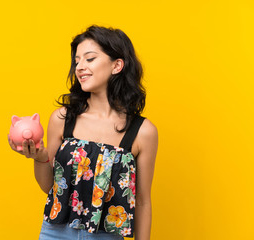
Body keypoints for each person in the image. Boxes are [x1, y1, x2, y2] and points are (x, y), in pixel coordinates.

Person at [8, 25, 158, 240]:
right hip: (55, 233)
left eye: (89, 59)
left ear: (117, 65)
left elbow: (142, 201)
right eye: (77, 60)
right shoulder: (62, 119)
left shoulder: (142, 132)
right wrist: (40, 158)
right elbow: (48, 187)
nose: (79, 67)